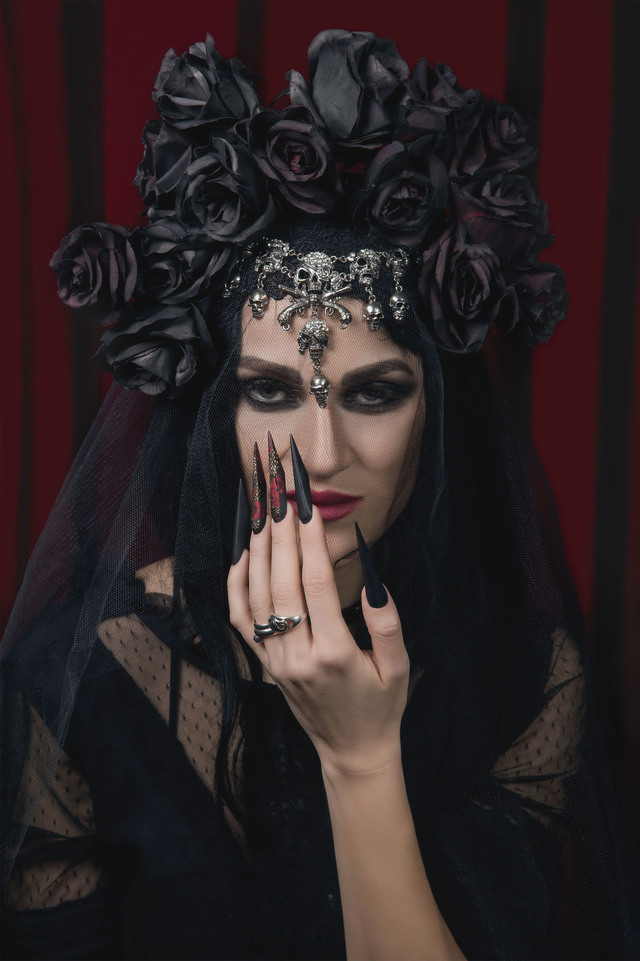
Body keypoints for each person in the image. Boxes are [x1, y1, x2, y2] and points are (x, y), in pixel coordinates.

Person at [1, 29, 637, 961]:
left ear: (434, 416)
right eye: (272, 393)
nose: (322, 452)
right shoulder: (78, 676)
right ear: (217, 414)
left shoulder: (524, 671)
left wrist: (360, 758)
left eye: (375, 394)